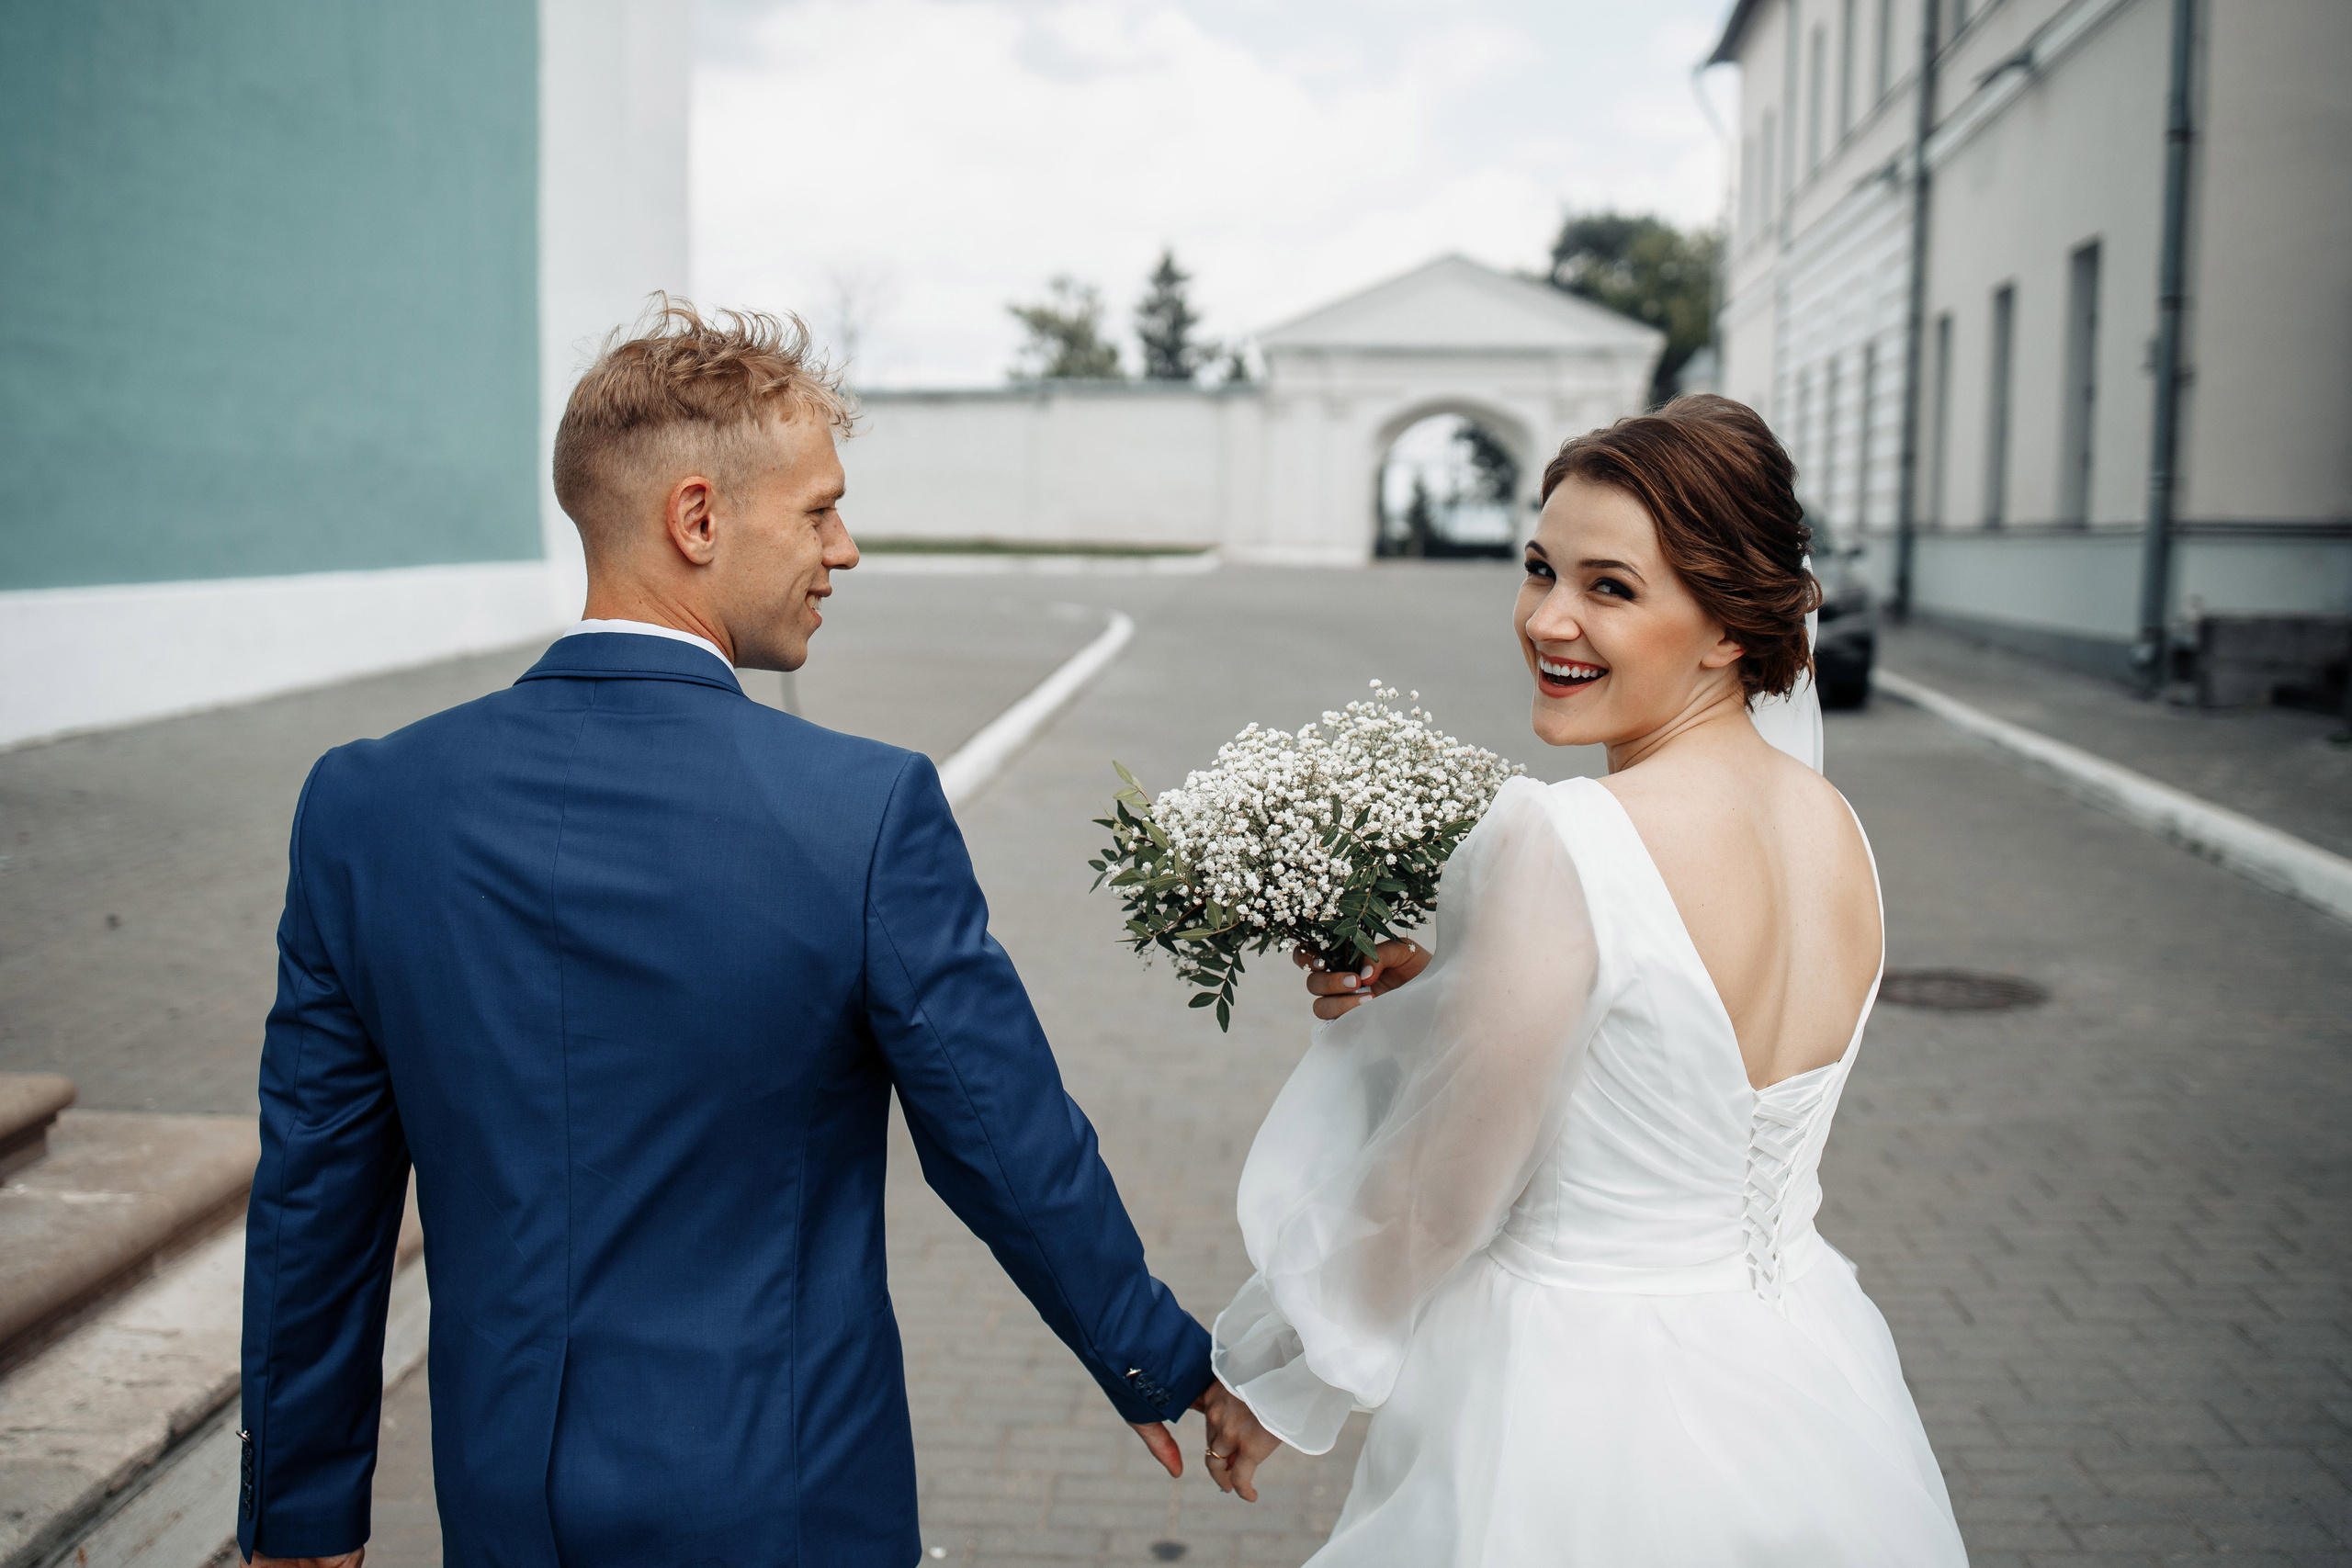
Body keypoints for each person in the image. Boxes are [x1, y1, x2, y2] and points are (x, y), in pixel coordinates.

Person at [236, 299, 1256, 1568]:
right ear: (698, 520)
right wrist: (1161, 1356)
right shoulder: (862, 811)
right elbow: (1004, 1138)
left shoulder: (364, 805)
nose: (846, 549)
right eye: (819, 511)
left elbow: (316, 1193)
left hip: (503, 1498)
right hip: (787, 1498)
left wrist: (300, 1507)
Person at [1193, 396, 1968, 1563]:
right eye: (1538, 568)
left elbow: (1439, 1193)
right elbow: (1669, 1066)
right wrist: (1458, 992)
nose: (1547, 619)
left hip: (1577, 1404)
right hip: (1804, 1383)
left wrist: (1292, 1381)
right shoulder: (1832, 827)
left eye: (1610, 588)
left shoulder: (1567, 837)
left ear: (1725, 625)